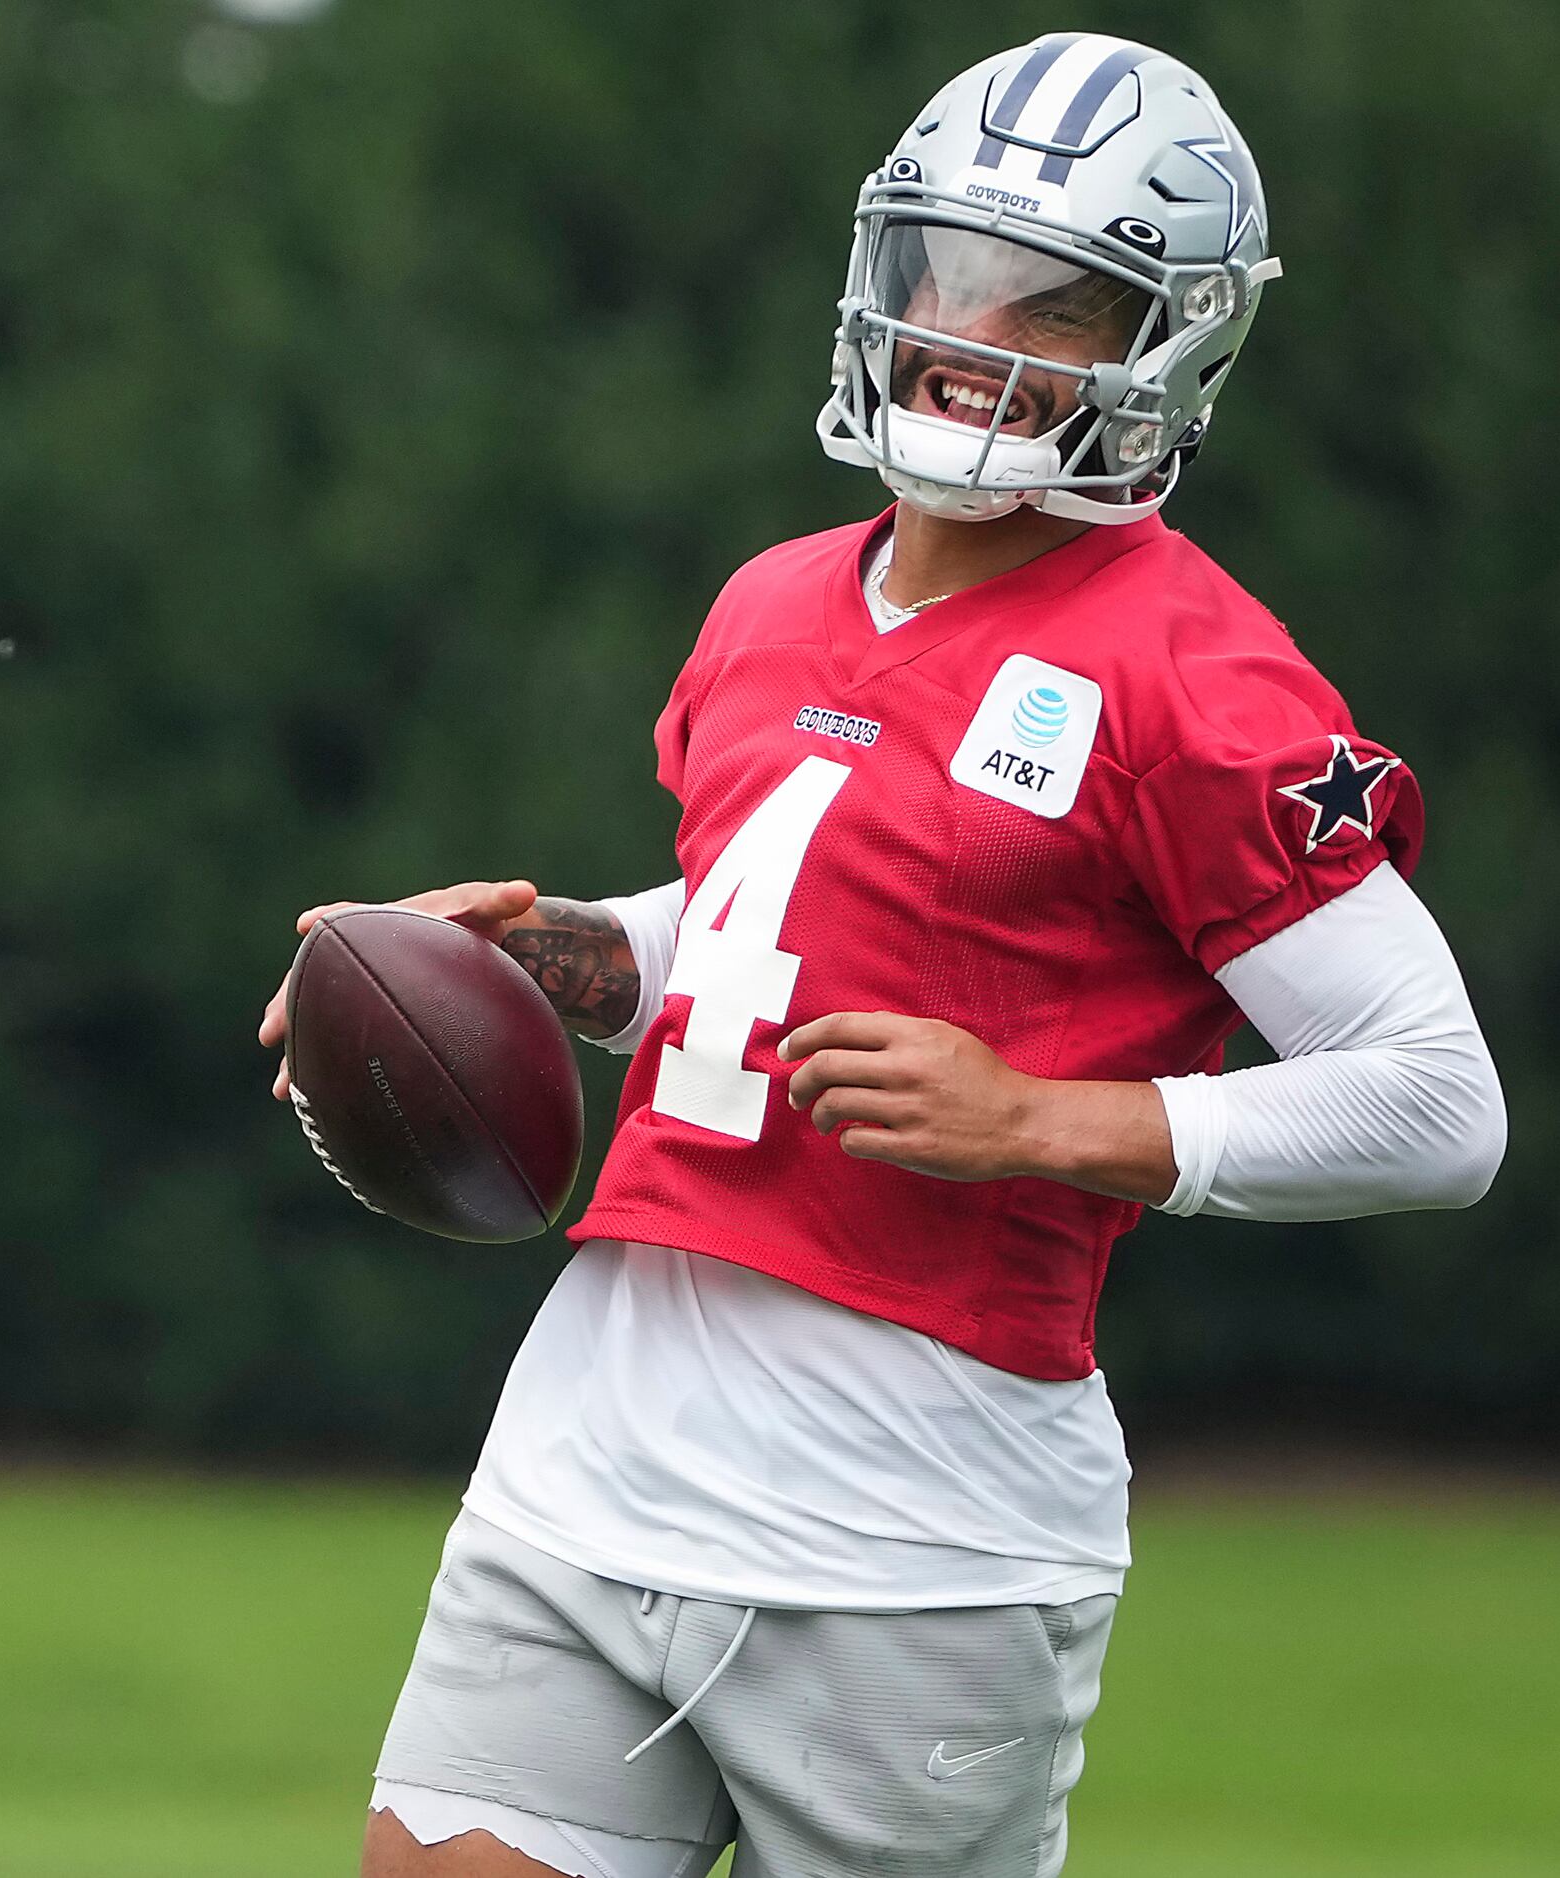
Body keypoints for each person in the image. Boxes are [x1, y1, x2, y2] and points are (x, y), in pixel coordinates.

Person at [260, 34, 1505, 1878]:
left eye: (1062, 302)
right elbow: (770, 927)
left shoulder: (1196, 673)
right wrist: (567, 960)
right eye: (949, 263)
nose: (975, 326)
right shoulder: (771, 598)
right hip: (591, 1457)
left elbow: (1436, 1102)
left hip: (916, 1538)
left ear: (1172, 348)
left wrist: (1046, 1118)